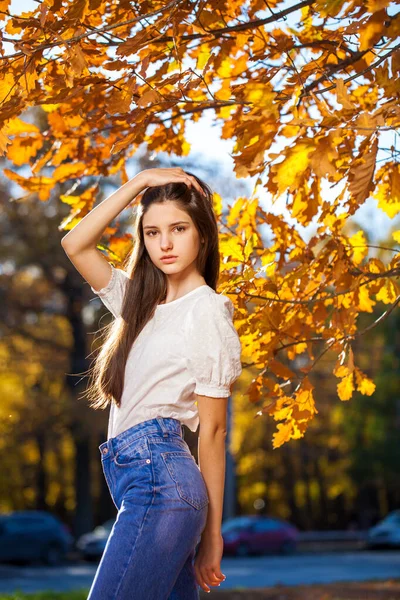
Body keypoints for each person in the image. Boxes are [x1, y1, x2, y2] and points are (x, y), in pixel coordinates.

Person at [61, 167, 242, 599]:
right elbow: (75, 243)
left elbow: (213, 433)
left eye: (178, 228)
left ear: (202, 233)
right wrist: (140, 182)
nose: (164, 244)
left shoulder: (208, 312)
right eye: (152, 232)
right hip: (145, 479)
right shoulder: (139, 302)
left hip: (162, 482)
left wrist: (212, 536)